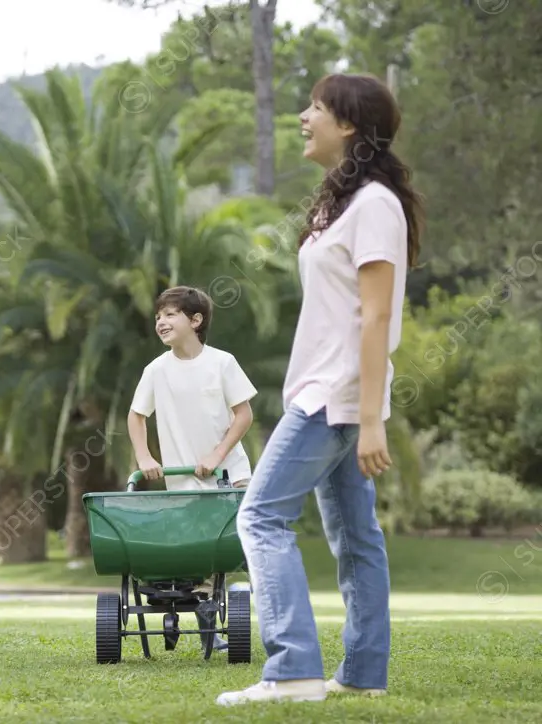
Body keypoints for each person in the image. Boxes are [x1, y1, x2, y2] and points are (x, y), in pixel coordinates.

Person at [216, 73, 425, 706]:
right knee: (356, 536)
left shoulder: (376, 206)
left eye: (316, 108)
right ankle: (362, 674)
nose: (303, 116)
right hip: (328, 389)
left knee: (260, 516)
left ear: (350, 124)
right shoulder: (343, 202)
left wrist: (370, 419)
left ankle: (293, 671)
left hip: (333, 395)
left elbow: (378, 316)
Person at [128, 286, 258, 492]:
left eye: (170, 315)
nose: (161, 322)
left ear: (195, 321)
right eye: (157, 317)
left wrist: (216, 456)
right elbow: (136, 415)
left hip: (231, 478)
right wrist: (143, 457)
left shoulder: (222, 362)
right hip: (183, 487)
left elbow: (244, 415)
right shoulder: (155, 370)